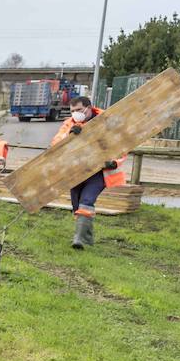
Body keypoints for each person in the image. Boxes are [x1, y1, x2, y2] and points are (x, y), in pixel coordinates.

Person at [50, 96, 127, 248]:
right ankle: (88, 238)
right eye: (72, 111)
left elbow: (121, 144)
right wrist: (69, 135)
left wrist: (115, 162)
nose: (75, 113)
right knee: (77, 206)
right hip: (76, 171)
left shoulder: (106, 120)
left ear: (89, 107)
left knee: (87, 201)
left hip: (98, 172)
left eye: (78, 110)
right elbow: (55, 143)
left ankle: (78, 240)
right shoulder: (69, 123)